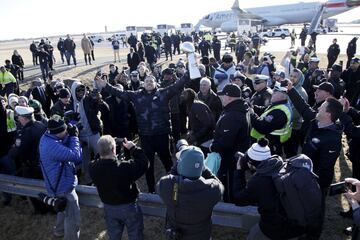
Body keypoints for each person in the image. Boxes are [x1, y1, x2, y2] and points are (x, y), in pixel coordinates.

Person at [95, 73, 191, 193]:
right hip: (146, 138)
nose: (149, 82)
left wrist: (188, 72)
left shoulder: (163, 93)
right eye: (147, 81)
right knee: (148, 166)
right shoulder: (136, 95)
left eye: (151, 81)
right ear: (143, 84)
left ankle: (174, 187)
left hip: (162, 136)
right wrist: (106, 86)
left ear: (156, 83)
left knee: (168, 163)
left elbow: (178, 85)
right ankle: (151, 190)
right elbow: (119, 93)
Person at [233, 138, 308, 239]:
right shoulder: (281, 165)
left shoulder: (258, 182)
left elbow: (239, 199)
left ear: (251, 163)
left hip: (276, 229)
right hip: (298, 224)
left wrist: (239, 171)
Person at [157, 144, 224, 240]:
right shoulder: (213, 189)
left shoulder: (166, 185)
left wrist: (179, 164)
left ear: (181, 165)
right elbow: (219, 184)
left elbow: (168, 177)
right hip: (202, 236)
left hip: (176, 236)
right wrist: (203, 169)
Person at [89, 135, 148, 240]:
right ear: (114, 149)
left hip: (108, 207)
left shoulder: (93, 168)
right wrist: (133, 148)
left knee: (114, 236)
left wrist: (103, 148)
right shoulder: (124, 167)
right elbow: (144, 163)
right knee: (135, 235)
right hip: (129, 207)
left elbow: (97, 159)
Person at [39, 115, 82, 239]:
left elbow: (62, 142)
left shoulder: (47, 137)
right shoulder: (52, 146)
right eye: (65, 130)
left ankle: (59, 231)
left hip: (57, 184)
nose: (67, 131)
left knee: (64, 209)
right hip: (64, 187)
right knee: (73, 219)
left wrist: (71, 131)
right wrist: (74, 137)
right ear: (58, 133)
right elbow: (76, 156)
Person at [210, 84, 251, 202]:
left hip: (230, 161)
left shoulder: (232, 115)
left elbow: (225, 143)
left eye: (222, 95)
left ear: (229, 97)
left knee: (230, 189)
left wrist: (213, 146)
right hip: (237, 157)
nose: (221, 98)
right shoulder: (241, 108)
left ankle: (232, 211)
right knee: (237, 183)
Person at [250, 81, 293, 156]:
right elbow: (266, 109)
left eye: (276, 92)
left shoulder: (280, 112)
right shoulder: (281, 104)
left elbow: (262, 127)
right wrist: (253, 107)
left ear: (283, 95)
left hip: (269, 148)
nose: (272, 93)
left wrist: (252, 114)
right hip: (269, 144)